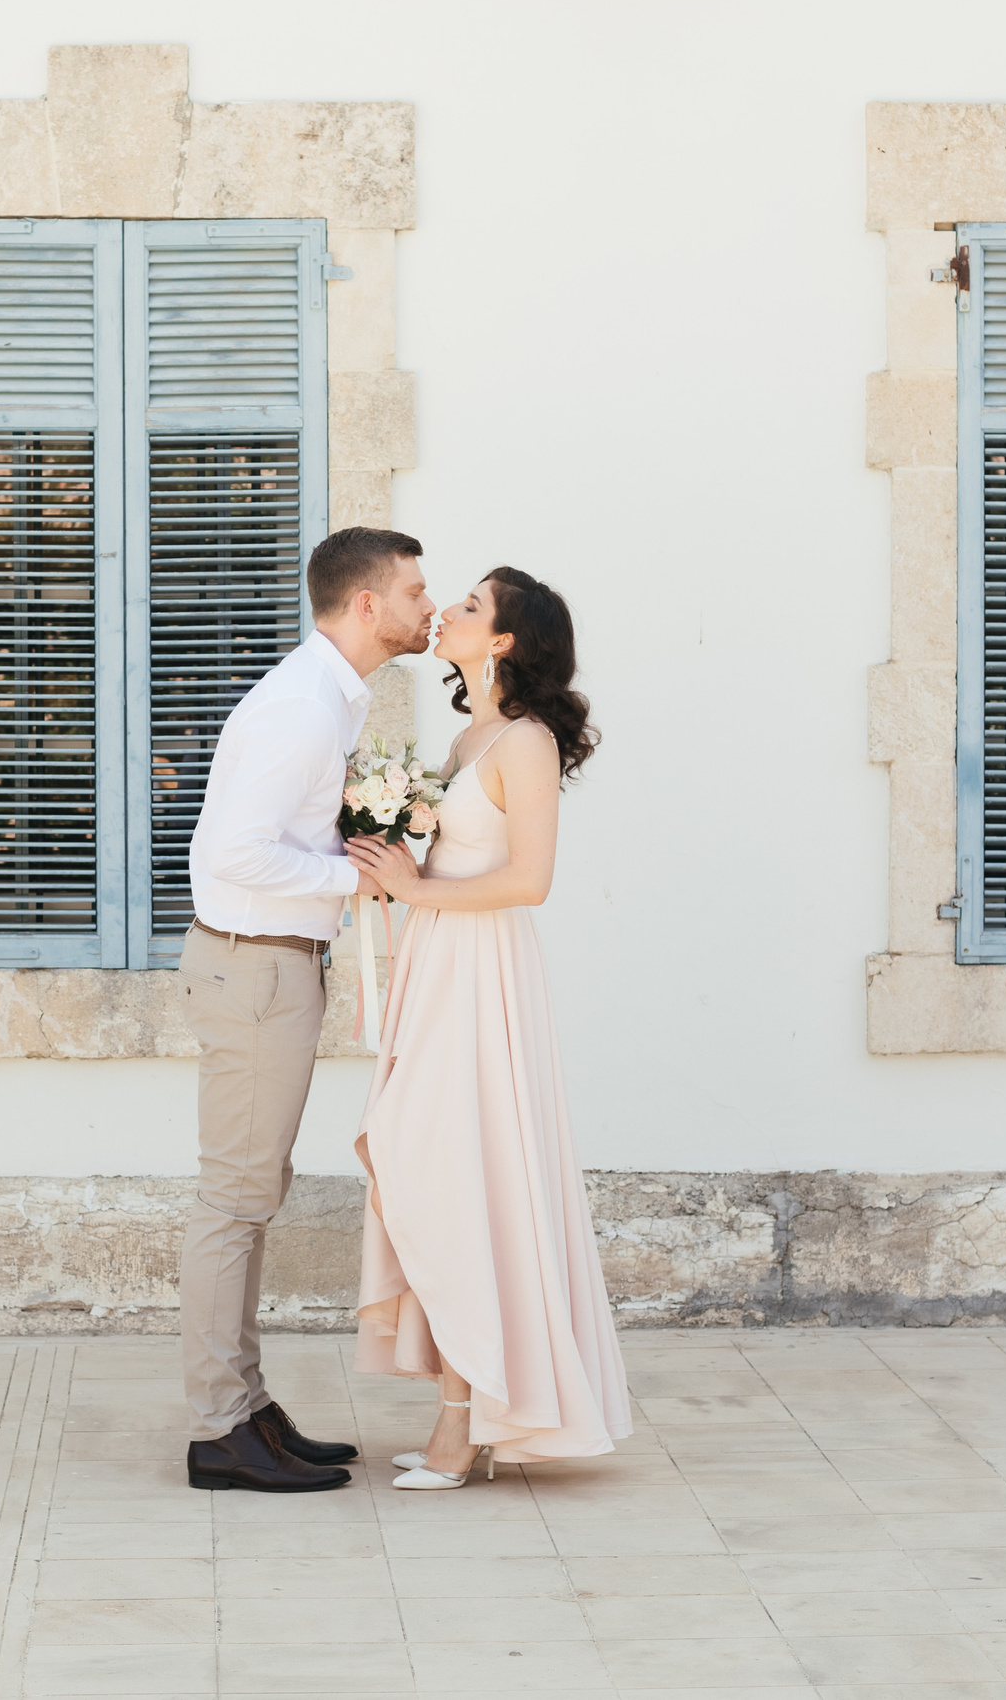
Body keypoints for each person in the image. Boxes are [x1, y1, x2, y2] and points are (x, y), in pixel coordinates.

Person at [344, 565, 632, 1489]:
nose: (446, 612)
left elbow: (530, 880)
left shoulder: (527, 742)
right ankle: (461, 1403)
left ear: (503, 640)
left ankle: (464, 1422)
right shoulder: (469, 736)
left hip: (482, 972)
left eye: (469, 606)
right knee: (413, 1161)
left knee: (458, 1178)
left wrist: (416, 886)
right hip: (437, 963)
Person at [178, 526, 436, 1493]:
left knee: (252, 1193)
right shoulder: (298, 706)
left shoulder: (326, 697)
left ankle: (246, 1408)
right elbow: (232, 854)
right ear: (367, 605)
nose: (427, 606)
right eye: (414, 591)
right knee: (233, 1201)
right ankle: (218, 1426)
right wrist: (353, 877)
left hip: (274, 969)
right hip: (253, 972)